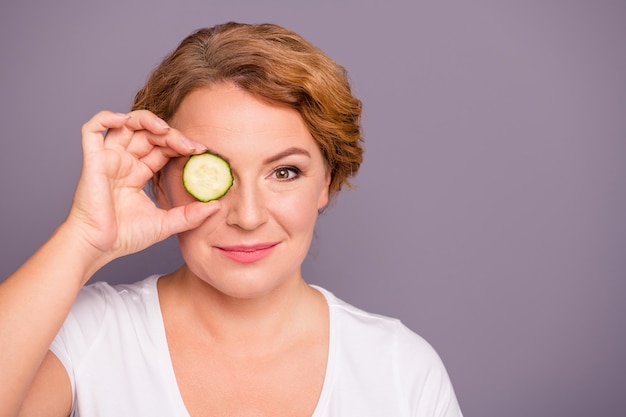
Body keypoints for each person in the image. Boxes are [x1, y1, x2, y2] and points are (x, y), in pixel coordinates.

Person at [0, 22, 463, 416]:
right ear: (158, 181)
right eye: (212, 173)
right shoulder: (87, 334)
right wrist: (82, 238)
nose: (247, 216)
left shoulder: (401, 369)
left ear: (326, 182)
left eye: (284, 172)